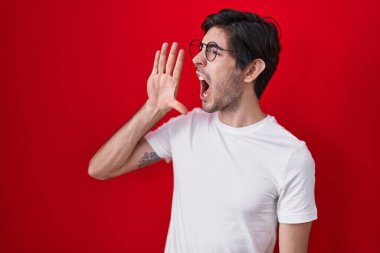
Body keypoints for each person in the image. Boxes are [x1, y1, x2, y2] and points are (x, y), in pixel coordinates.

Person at [88, 8, 317, 253]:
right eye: (200, 48)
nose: (197, 59)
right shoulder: (187, 127)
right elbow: (101, 169)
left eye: (213, 51)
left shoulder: (290, 156)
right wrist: (152, 109)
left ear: (251, 70)